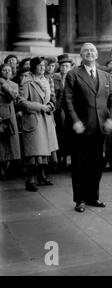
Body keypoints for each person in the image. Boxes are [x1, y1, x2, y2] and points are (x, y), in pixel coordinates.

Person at [64, 43, 112, 213]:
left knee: (97, 164)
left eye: (92, 51)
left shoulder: (105, 75)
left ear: (97, 55)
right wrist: (75, 121)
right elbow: (67, 100)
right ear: (81, 55)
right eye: (86, 51)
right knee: (80, 165)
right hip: (81, 127)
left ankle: (92, 197)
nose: (89, 53)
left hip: (100, 127)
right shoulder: (73, 74)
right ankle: (80, 199)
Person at [18, 57, 59, 192]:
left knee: (44, 150)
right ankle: (30, 180)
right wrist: (41, 107)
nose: (42, 68)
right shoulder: (27, 82)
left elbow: (51, 97)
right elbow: (21, 102)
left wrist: (51, 105)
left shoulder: (45, 80)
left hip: (46, 119)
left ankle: (41, 176)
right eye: (39, 66)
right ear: (33, 67)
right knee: (34, 152)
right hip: (34, 119)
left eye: (43, 65)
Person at [0, 64, 21, 180]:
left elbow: (13, 96)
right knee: (1, 142)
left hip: (10, 114)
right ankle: (1, 168)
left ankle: (7, 166)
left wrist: (4, 85)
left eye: (9, 70)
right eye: (4, 70)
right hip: (0, 113)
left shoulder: (14, 85)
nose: (7, 72)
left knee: (10, 141)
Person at [53, 54, 74, 169]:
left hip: (70, 111)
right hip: (58, 110)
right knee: (58, 134)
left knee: (69, 135)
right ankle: (58, 159)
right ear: (59, 67)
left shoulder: (73, 77)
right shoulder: (54, 78)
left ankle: (67, 159)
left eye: (67, 66)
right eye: (62, 66)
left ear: (70, 67)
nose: (65, 68)